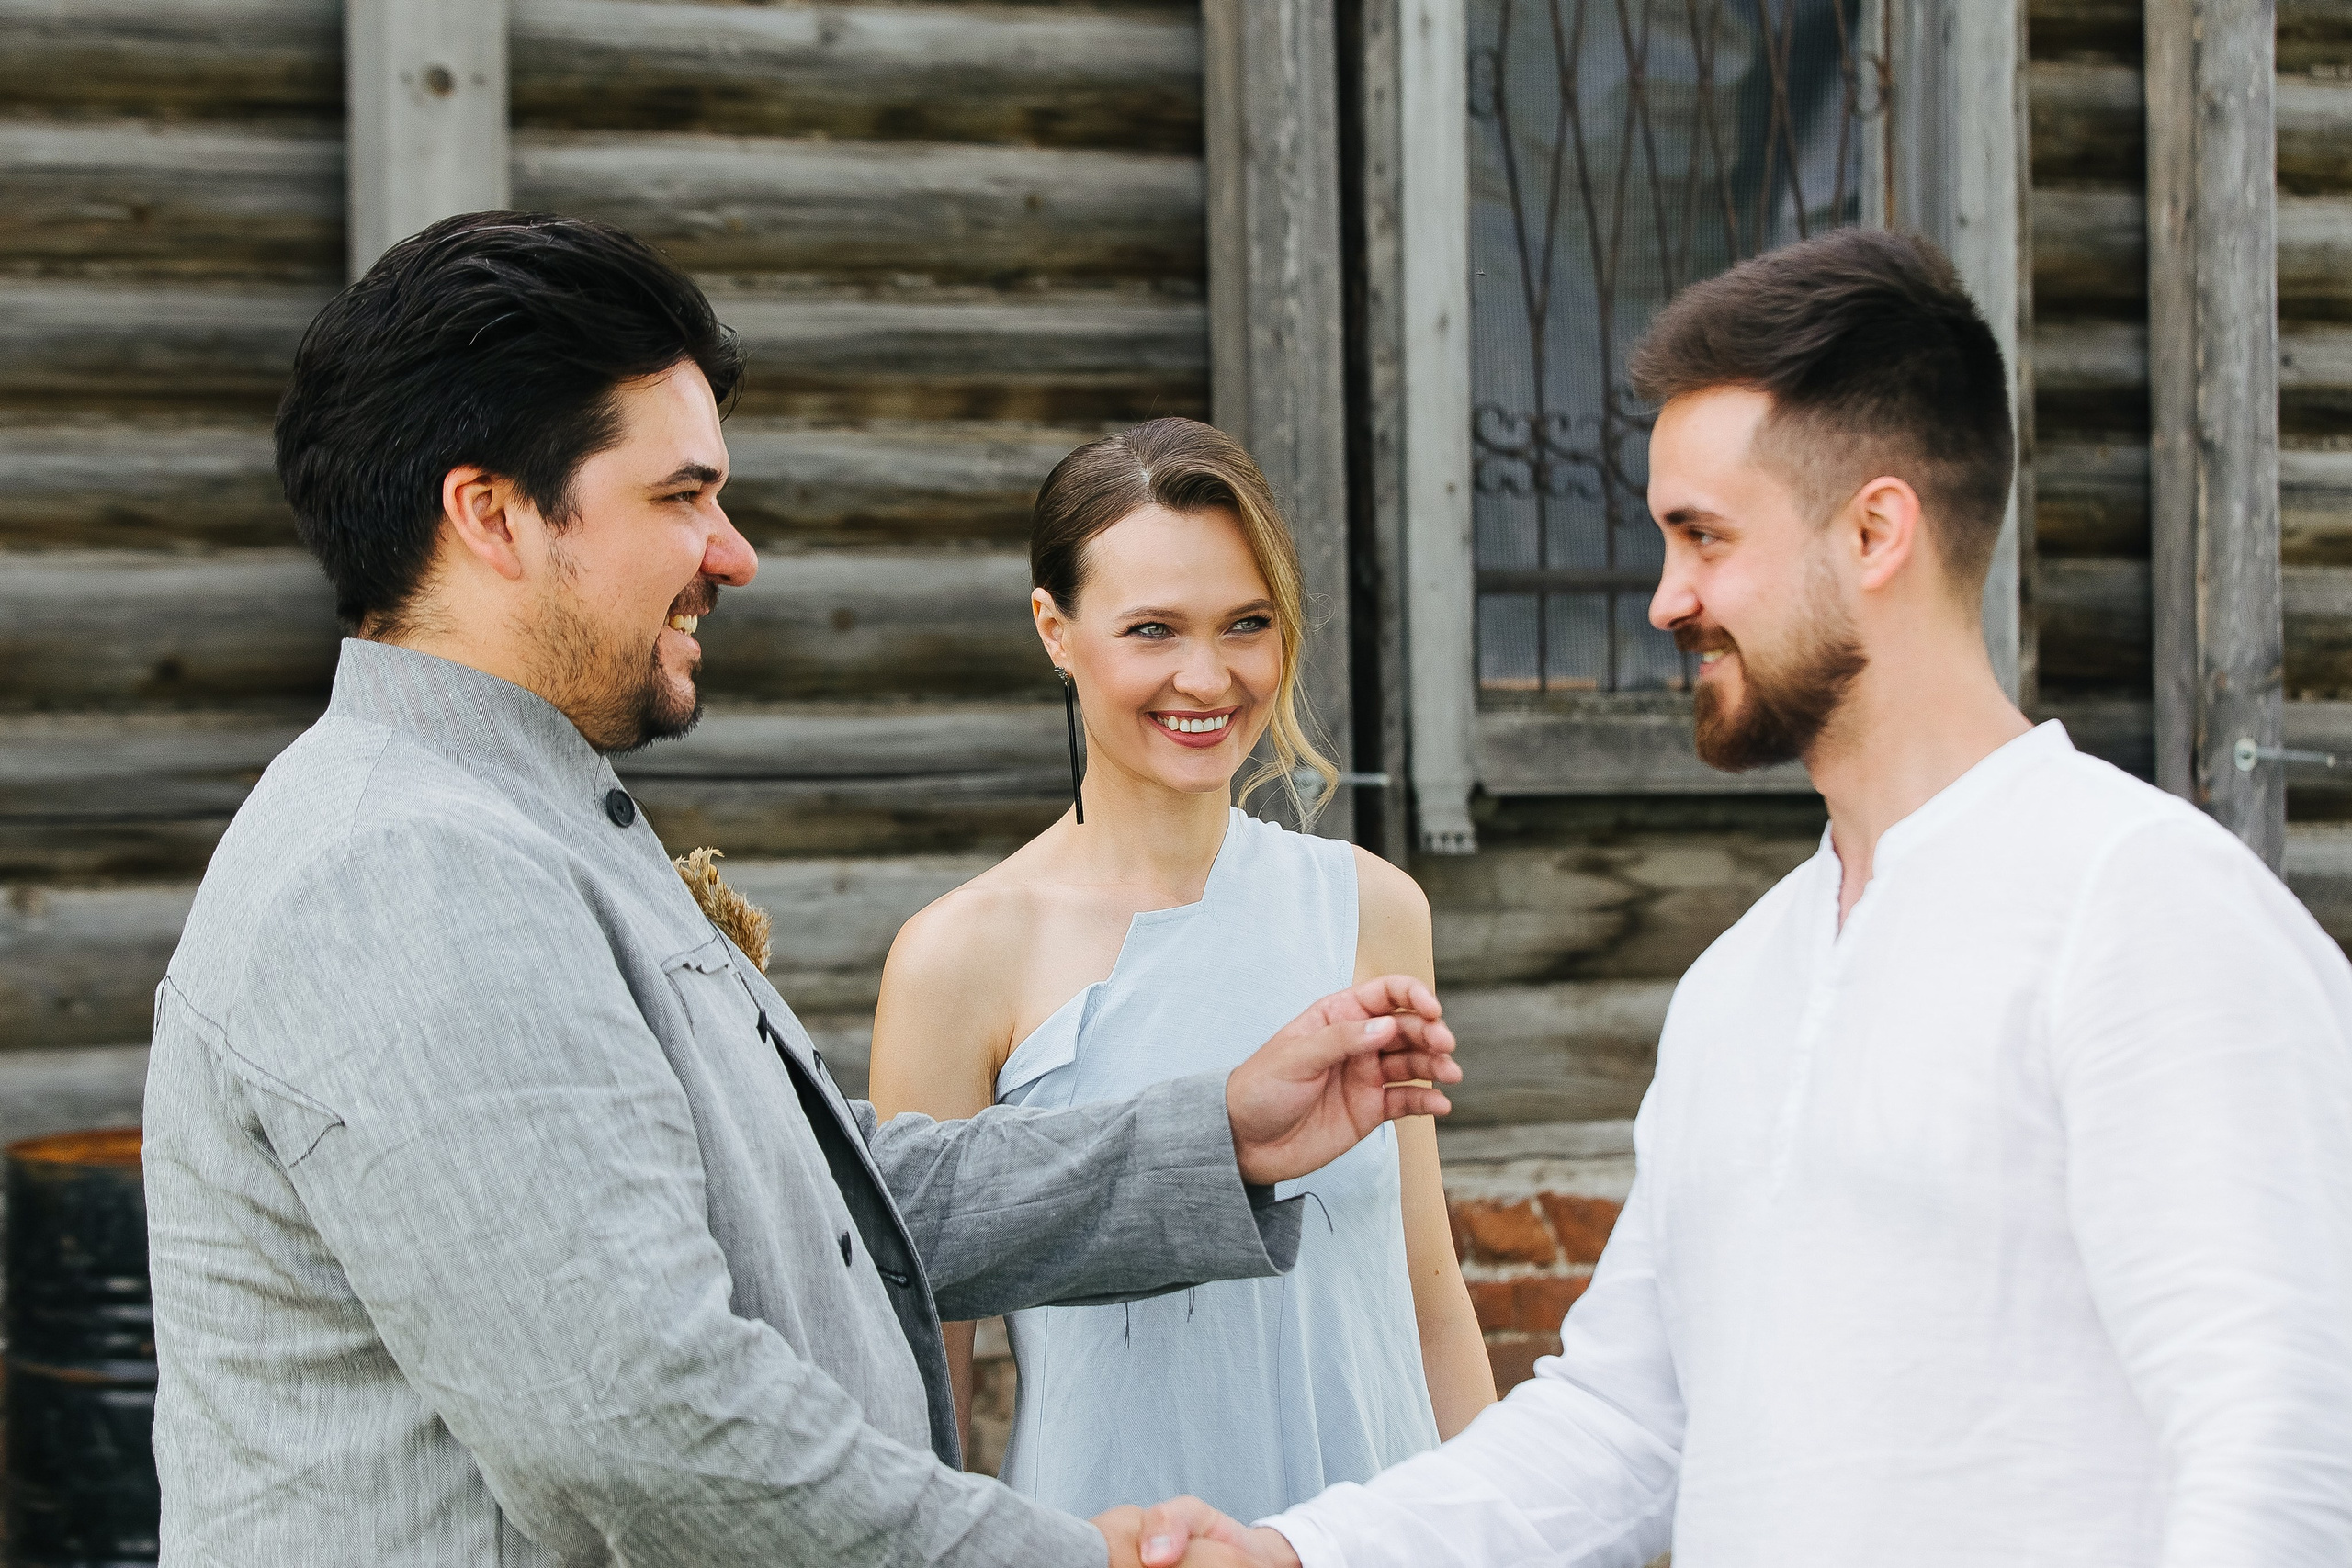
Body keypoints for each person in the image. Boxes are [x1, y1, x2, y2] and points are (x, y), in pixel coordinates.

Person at [140, 211, 1464, 1568]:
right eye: (680, 496)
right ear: (491, 515)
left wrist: (1219, 1136)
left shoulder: (522, 823)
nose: (732, 550)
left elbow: (826, 1205)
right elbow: (641, 1418)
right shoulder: (405, 870)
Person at [1130, 229, 2352, 1567]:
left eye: (1703, 538)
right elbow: (1624, 1428)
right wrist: (1298, 1553)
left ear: (1876, 529)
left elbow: (2283, 1451)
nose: (1666, 598)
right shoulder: (1739, 983)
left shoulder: (2147, 908)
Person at [866, 419, 1496, 1519]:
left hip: (1375, 1531)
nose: (1205, 676)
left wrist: (1498, 1535)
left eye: (1245, 625)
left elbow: (1426, 1298)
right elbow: (925, 1384)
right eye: (1152, 629)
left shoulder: (1372, 908)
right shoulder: (957, 958)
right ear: (1054, 632)